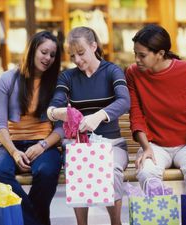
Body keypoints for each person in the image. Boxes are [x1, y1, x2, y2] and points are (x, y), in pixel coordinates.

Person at [47, 26, 130, 225]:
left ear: (94, 46)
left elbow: (124, 101)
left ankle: (115, 223)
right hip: (81, 145)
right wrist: (55, 112)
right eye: (72, 55)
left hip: (112, 144)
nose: (76, 60)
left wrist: (99, 115)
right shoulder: (68, 77)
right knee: (77, 166)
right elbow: (56, 102)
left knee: (111, 171)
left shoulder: (112, 71)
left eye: (81, 53)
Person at [0, 31, 63, 225]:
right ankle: (36, 222)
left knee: (46, 172)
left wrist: (43, 145)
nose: (47, 58)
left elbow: (62, 127)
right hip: (12, 143)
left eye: (52, 55)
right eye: (44, 52)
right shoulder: (6, 80)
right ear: (32, 50)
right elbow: (0, 125)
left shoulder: (57, 83)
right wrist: (13, 152)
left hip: (44, 144)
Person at [125, 24, 186, 191]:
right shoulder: (133, 73)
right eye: (135, 54)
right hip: (154, 145)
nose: (136, 60)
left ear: (160, 54)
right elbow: (136, 115)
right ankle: (158, 217)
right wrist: (146, 148)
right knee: (146, 172)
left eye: (142, 55)